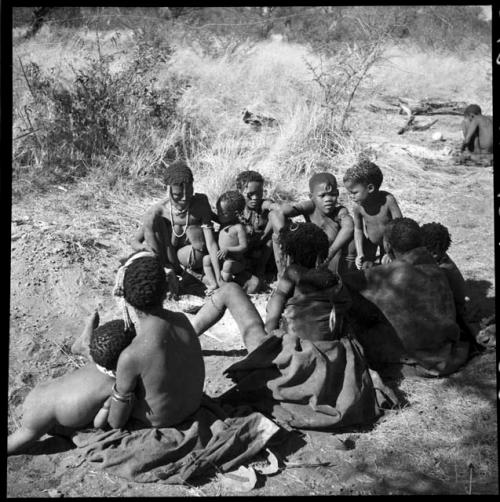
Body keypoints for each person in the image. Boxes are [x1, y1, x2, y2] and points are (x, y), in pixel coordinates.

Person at [192, 222, 393, 431]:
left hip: (293, 359)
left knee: (230, 290)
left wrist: (269, 339)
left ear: (288, 255)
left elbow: (275, 306)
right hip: (328, 358)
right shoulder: (334, 281)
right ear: (322, 253)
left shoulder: (293, 272)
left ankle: (188, 334)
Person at [342, 217, 470, 378]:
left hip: (419, 357)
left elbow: (342, 284)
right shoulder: (437, 266)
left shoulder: (387, 274)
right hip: (446, 351)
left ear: (387, 246)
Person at [8, 318, 135, 455]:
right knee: (22, 437)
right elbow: (99, 423)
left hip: (38, 395)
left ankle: (84, 342)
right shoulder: (114, 385)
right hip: (46, 415)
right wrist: (106, 408)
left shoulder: (96, 362)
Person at [107, 252, 205, 429]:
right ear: (165, 291)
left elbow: (115, 422)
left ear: (126, 298)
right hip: (194, 408)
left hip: (160, 424)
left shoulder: (132, 355)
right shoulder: (182, 321)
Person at [130, 160, 221, 291]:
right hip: (169, 258)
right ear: (168, 189)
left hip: (196, 257)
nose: (184, 198)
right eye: (178, 195)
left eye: (189, 192)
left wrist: (218, 277)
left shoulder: (200, 205)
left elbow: (211, 244)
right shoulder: (159, 211)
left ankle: (192, 275)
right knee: (152, 221)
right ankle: (166, 271)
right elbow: (134, 241)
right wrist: (146, 250)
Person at [269, 168, 356, 277]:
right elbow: (280, 212)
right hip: (312, 259)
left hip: (333, 262)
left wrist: (330, 252)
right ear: (312, 197)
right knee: (274, 216)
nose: (328, 199)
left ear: (338, 193)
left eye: (332, 194)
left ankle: (345, 278)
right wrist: (285, 240)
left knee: (351, 240)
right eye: (322, 195)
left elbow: (349, 227)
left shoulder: (340, 211)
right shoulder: (310, 207)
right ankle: (282, 274)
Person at [343, 159, 402, 269]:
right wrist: (360, 253)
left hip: (390, 243)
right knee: (365, 266)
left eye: (354, 192)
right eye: (349, 193)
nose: (351, 196)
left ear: (370, 188)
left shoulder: (388, 200)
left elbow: (399, 225)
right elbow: (358, 229)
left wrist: (392, 250)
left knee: (389, 267)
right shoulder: (358, 207)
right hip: (371, 243)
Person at [235, 170, 277, 286]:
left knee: (271, 240)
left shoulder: (263, 207)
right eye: (250, 193)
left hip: (262, 252)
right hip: (242, 250)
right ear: (240, 191)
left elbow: (271, 208)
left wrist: (263, 236)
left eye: (259, 193)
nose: (255, 198)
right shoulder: (235, 207)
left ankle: (261, 270)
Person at [203, 191, 248, 292]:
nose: (219, 215)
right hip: (222, 258)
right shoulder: (224, 222)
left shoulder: (238, 228)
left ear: (236, 214)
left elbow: (244, 246)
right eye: (218, 211)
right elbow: (211, 215)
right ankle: (213, 283)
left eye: (223, 213)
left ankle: (224, 286)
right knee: (206, 259)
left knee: (228, 265)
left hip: (236, 262)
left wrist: (228, 249)